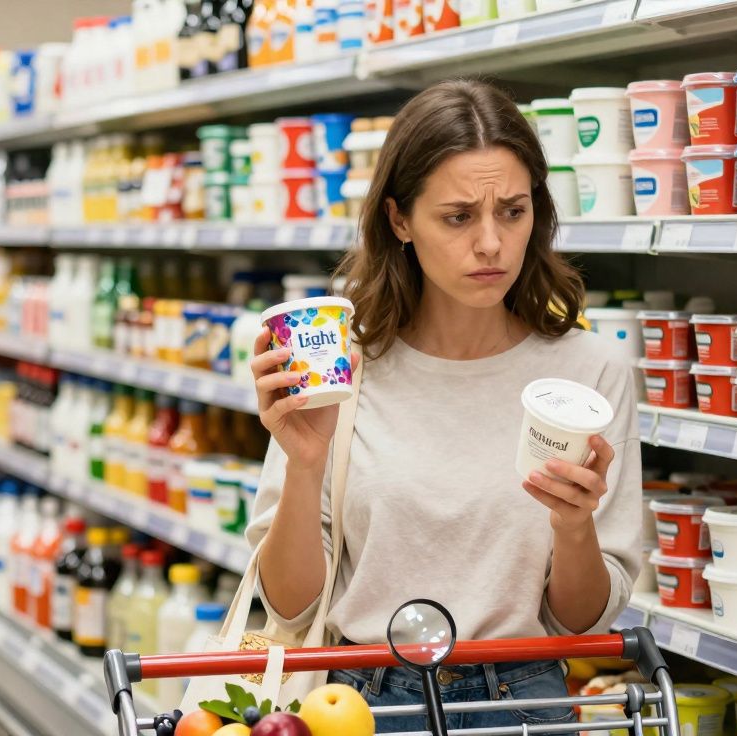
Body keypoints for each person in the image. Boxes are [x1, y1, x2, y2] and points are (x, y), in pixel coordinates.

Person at [247, 79, 642, 732]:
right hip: (359, 703)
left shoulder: (588, 375)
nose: (490, 243)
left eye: (512, 212)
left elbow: (583, 622)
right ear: (399, 219)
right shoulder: (339, 366)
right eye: (458, 217)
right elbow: (290, 606)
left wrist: (575, 527)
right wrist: (304, 462)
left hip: (526, 701)